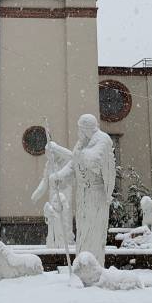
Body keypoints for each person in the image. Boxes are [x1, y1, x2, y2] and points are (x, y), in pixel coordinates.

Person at [48, 114, 115, 265]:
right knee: (83, 233)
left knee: (94, 232)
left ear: (86, 129)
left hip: (97, 194)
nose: (78, 133)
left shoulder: (103, 140)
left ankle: (95, 266)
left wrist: (75, 153)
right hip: (83, 195)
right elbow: (73, 164)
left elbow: (93, 161)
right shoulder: (81, 143)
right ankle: (82, 265)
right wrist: (59, 176)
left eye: (80, 129)